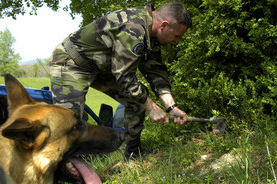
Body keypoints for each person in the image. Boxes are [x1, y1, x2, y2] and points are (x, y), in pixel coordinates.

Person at [49, 1, 192, 160]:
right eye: (177, 35)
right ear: (164, 25)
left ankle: (133, 155)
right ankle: (66, 166)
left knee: (136, 104)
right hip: (72, 63)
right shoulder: (134, 28)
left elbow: (155, 71)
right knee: (69, 122)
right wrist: (152, 108)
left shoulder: (151, 35)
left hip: (103, 68)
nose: (177, 41)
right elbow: (125, 78)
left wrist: (171, 107)